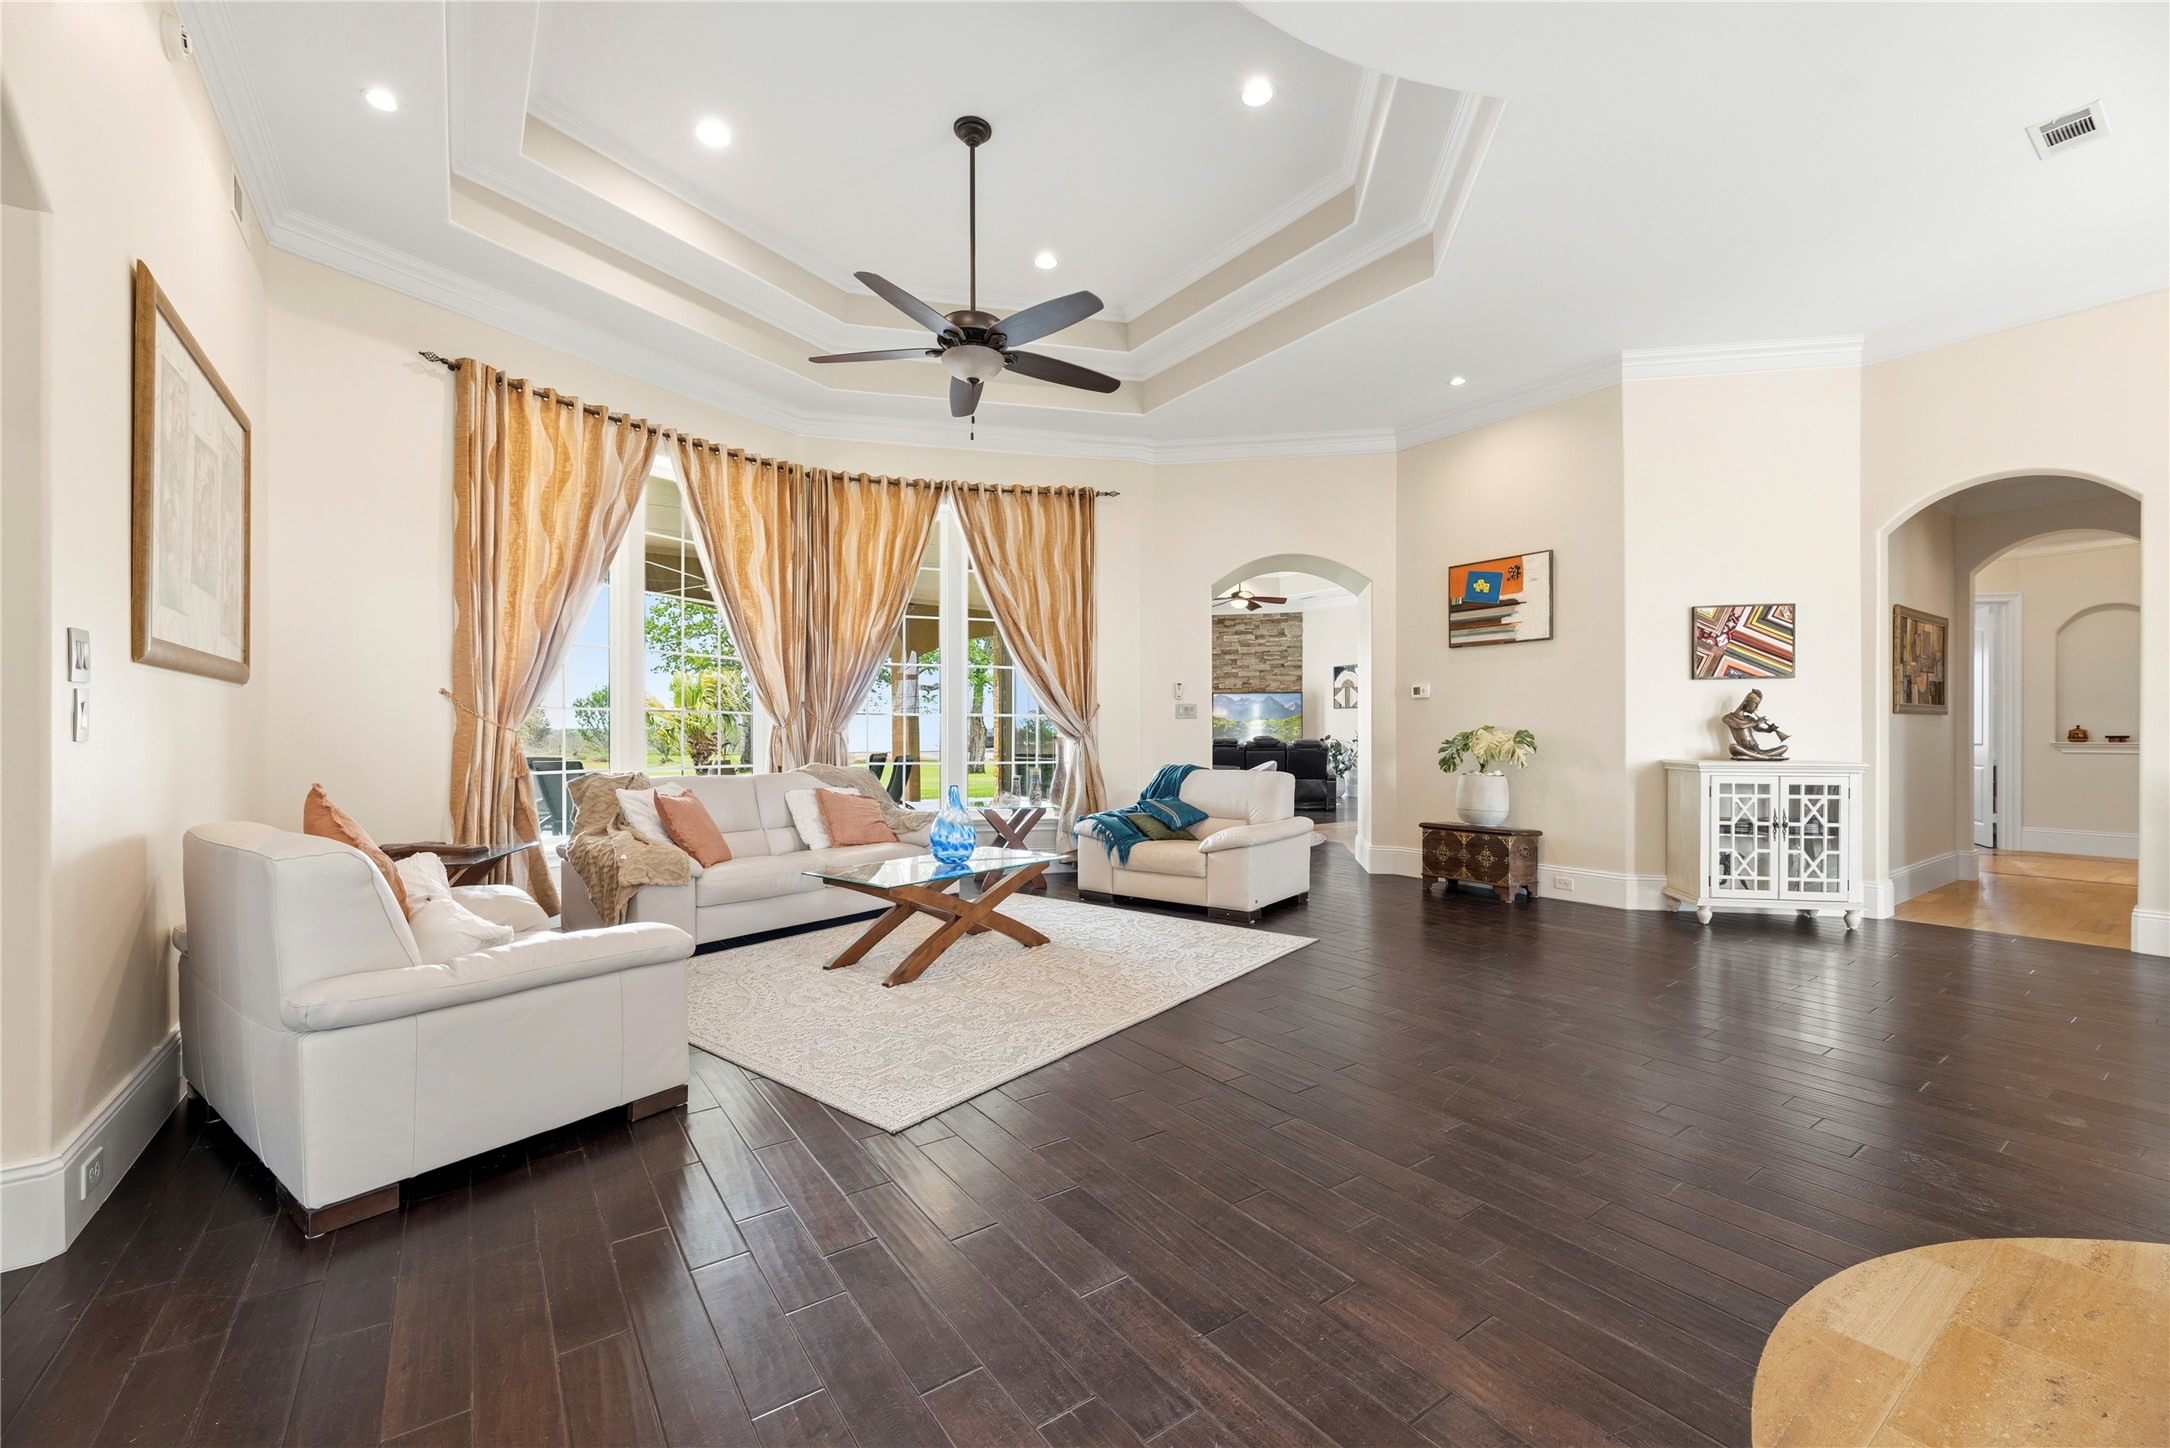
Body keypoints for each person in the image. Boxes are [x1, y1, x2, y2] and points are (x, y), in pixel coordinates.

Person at [1722, 688, 1789, 760]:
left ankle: (1756, 756)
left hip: (1757, 750)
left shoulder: (1750, 719)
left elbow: (1758, 729)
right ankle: (1766, 758)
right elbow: (1739, 726)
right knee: (1733, 747)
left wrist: (1768, 730)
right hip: (1743, 750)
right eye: (1756, 704)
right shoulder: (1728, 718)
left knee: (1784, 747)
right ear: (1748, 701)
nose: (1756, 708)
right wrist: (1756, 722)